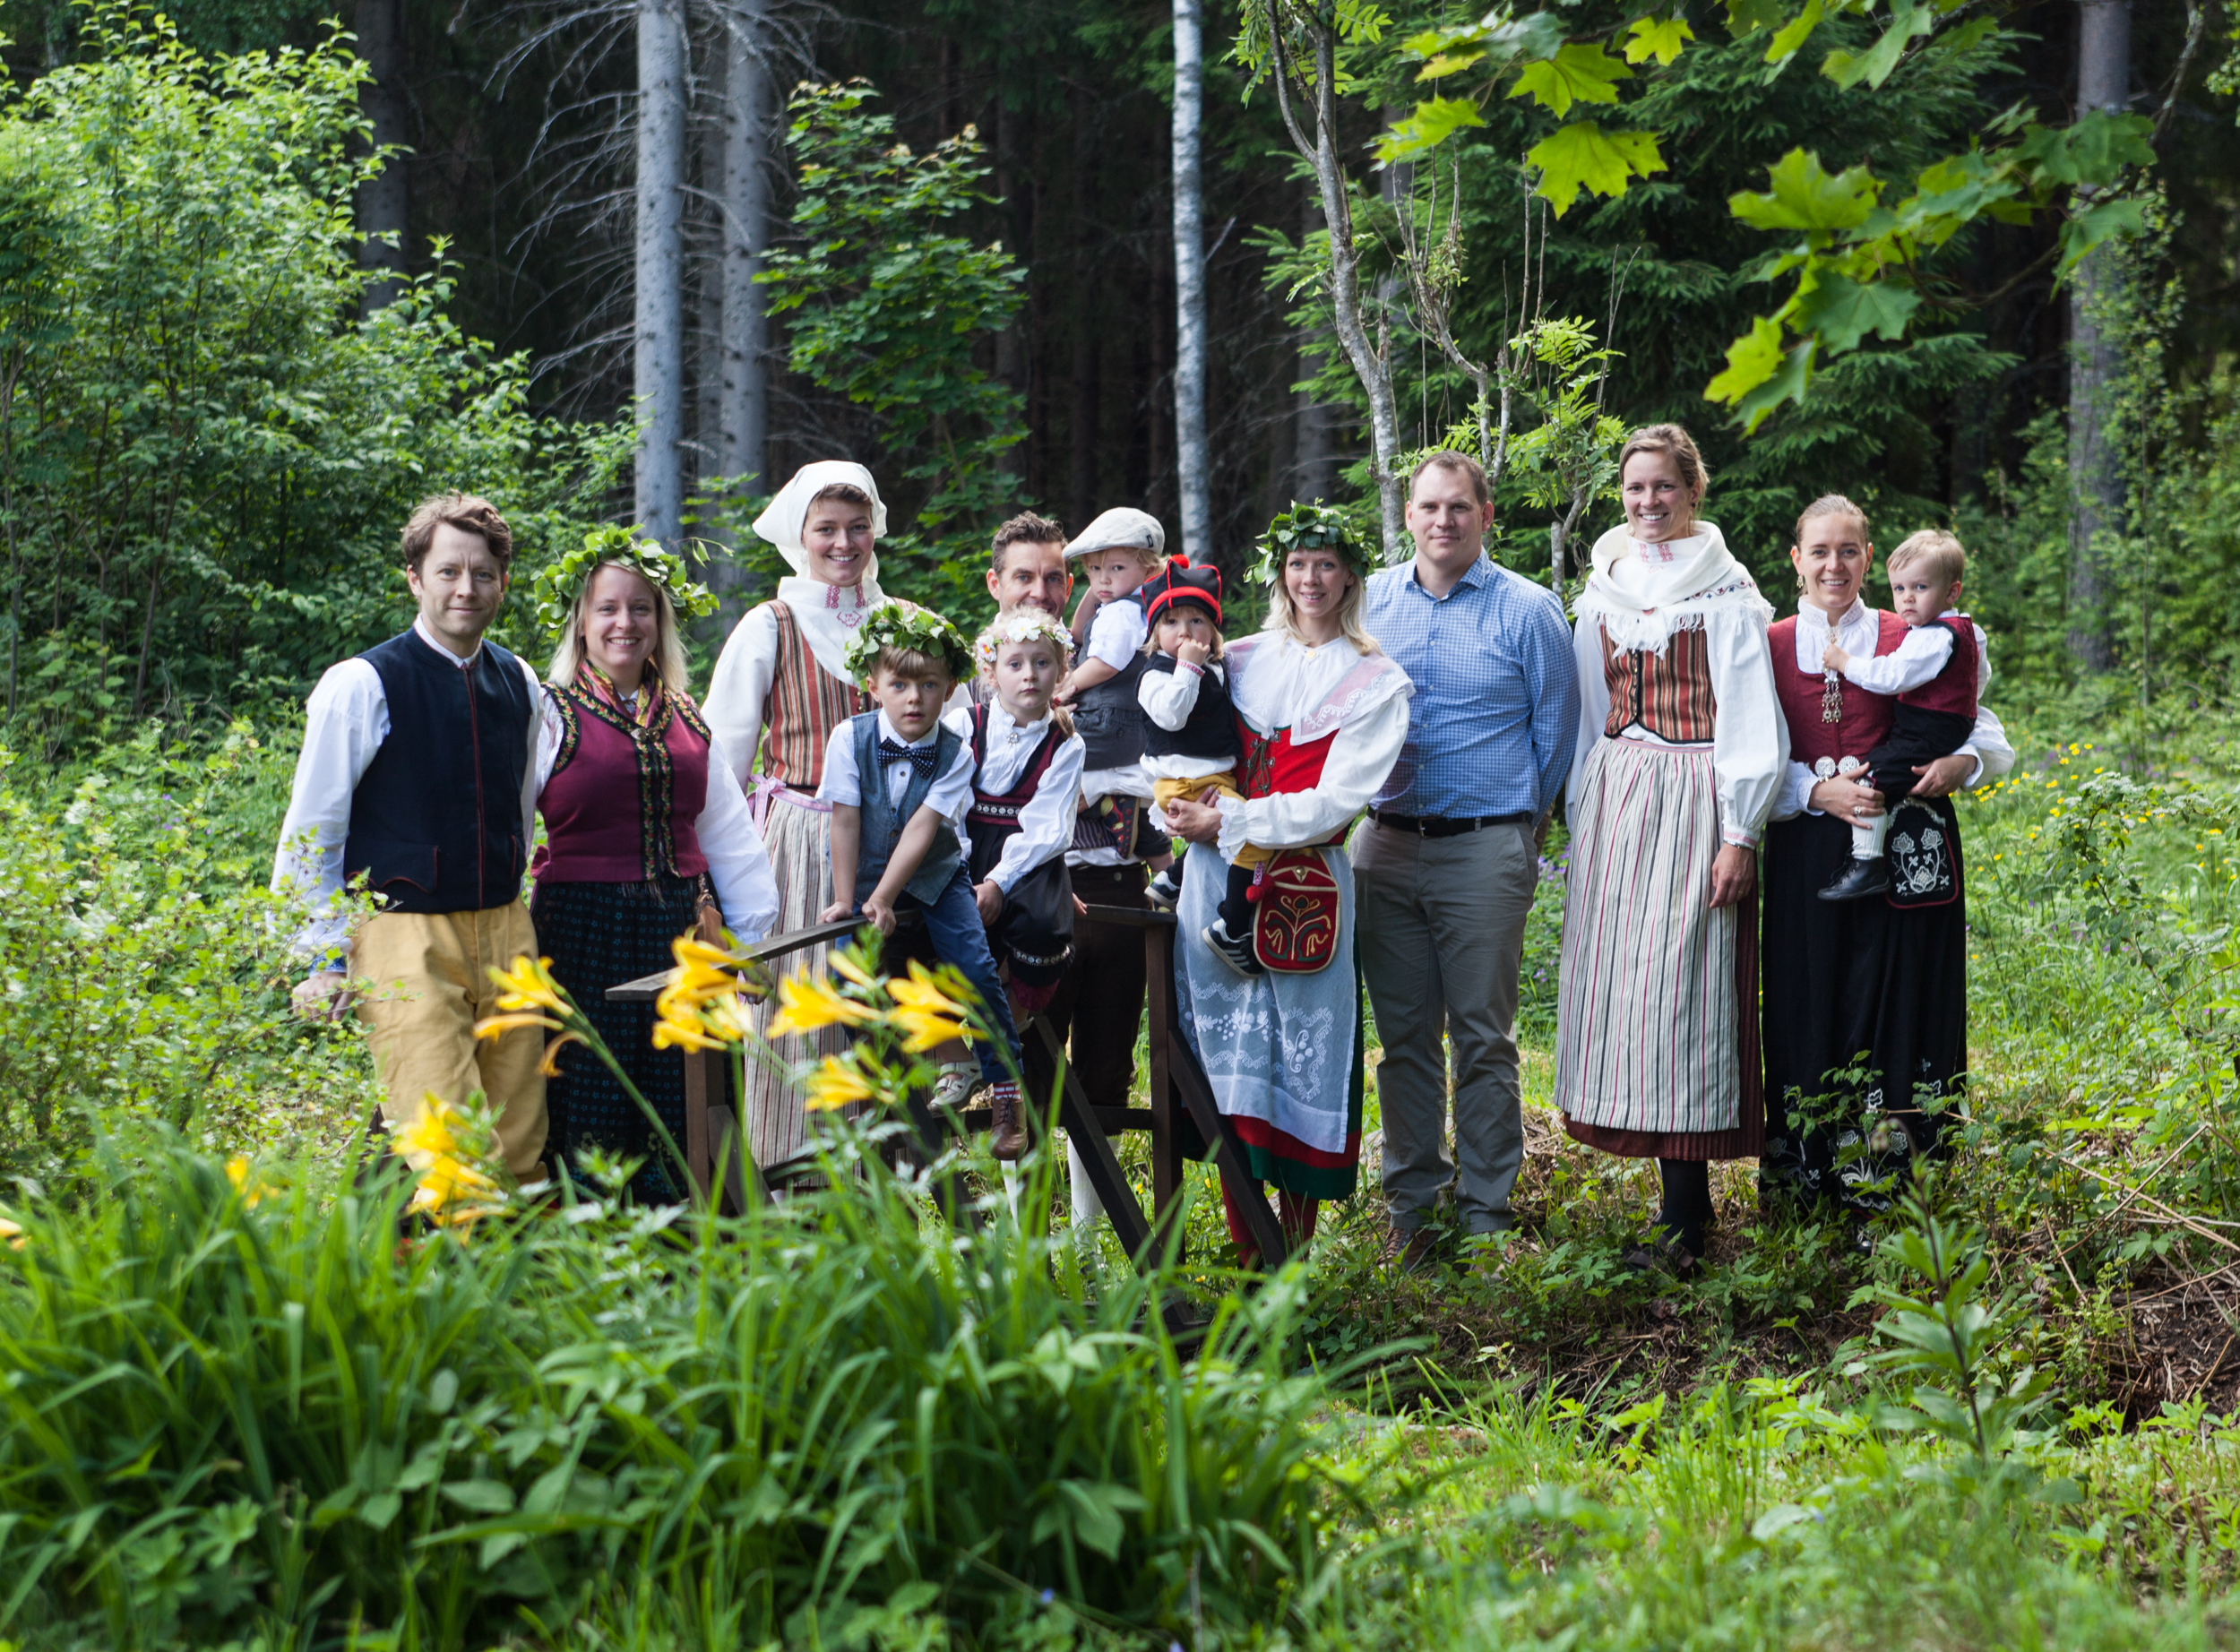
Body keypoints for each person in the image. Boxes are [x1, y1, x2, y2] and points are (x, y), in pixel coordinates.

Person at [1555, 425, 1787, 1277]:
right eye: (1635, 487)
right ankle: (1672, 1208)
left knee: (1683, 992)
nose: (1647, 501)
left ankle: (1688, 1217)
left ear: (1693, 491)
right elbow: (1589, 709)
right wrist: (1582, 804)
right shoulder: (1605, 586)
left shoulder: (1725, 591)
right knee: (1626, 994)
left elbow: (1752, 719)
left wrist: (1739, 833)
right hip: (1618, 796)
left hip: (1696, 796)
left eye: (1663, 486)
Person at [271, 494, 548, 1178]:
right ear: (415, 579)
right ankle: (450, 1244)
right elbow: (313, 830)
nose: (466, 588)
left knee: (519, 1131)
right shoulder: (362, 684)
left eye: (482, 574)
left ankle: (503, 1253)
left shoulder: (520, 681)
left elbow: (519, 810)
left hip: (506, 928)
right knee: (444, 1137)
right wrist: (319, 956)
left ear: (503, 584)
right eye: (448, 571)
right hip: (403, 934)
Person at [1164, 513, 1411, 1266]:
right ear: (1281, 573)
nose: (1311, 579)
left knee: (1301, 1061)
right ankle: (1248, 1252)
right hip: (1213, 874)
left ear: (1351, 577)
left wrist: (1231, 819)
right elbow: (1173, 736)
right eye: (1299, 563)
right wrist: (1172, 803)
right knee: (1227, 1063)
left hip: (1305, 884)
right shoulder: (1236, 658)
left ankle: (1292, 1257)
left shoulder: (1376, 681)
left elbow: (1338, 803)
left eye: (1326, 564)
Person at [1761, 498, 2012, 1225]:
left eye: (1848, 550)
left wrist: (1965, 762)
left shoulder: (1917, 631)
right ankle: (1811, 1185)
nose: (1833, 565)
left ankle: (1894, 1187)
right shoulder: (1769, 642)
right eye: (1819, 551)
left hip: (1905, 851)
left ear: (1868, 558)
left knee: (1901, 1005)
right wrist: (1816, 790)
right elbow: (1745, 750)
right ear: (1797, 559)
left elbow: (1979, 726)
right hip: (1810, 842)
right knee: (1813, 996)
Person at [1355, 469, 1578, 1269]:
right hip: (1384, 846)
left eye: (1459, 507)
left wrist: (1519, 830)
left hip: (1484, 848)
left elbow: (1557, 734)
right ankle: (1413, 1212)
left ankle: (1486, 1216)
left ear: (1485, 515)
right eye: (1429, 506)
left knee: (1483, 1037)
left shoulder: (1528, 609)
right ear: (1408, 515)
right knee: (1403, 1040)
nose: (1443, 520)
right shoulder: (1369, 601)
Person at [528, 531, 780, 1200]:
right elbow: (507, 822)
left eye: (641, 608)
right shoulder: (548, 714)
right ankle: (593, 1241)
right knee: (594, 1092)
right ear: (581, 622)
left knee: (692, 1092)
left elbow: (725, 830)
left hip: (682, 929)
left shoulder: (686, 716)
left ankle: (692, 1243)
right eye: (608, 608)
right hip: (581, 936)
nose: (625, 623)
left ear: (659, 622)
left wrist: (750, 940)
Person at [702, 461, 885, 1170]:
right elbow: (719, 763)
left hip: (893, 846)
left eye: (857, 527)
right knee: (797, 1020)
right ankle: (791, 1194)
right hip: (799, 842)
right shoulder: (769, 626)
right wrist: (715, 880)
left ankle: (880, 1199)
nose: (843, 543)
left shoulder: (900, 623)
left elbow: (956, 739)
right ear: (800, 536)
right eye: (826, 529)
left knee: (879, 1018)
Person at [817, 603, 1028, 1150]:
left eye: (929, 685)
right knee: (849, 978)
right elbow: (845, 818)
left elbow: (921, 828)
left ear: (950, 688)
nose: (915, 698)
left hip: (936, 872)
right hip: (865, 874)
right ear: (873, 686)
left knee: (975, 967)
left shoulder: (956, 753)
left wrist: (886, 898)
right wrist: (848, 898)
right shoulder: (848, 738)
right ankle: (885, 1096)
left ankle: (1006, 1091)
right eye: (900, 685)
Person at [1814, 529, 1982, 902]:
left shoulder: (1932, 637)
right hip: (1940, 722)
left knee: (1871, 780)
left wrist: (1845, 662)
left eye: (1920, 587)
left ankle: (1867, 865)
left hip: (1928, 728)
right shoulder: (1960, 630)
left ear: (1951, 592)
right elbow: (1977, 678)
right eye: (1899, 588)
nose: (1907, 598)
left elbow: (1891, 676)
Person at [943, 607, 1085, 1043]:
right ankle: (952, 1057)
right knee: (943, 923)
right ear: (991, 673)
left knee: (1040, 923)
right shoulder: (964, 724)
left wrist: (998, 882)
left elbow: (1048, 828)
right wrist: (963, 874)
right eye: (1015, 664)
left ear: (1061, 671)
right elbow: (947, 809)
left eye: (1042, 663)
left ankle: (1005, 1041)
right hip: (962, 846)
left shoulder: (1067, 743)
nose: (1029, 675)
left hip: (1027, 856)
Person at [1130, 558, 1266, 964]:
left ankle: (1173, 879)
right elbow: (1172, 715)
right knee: (1254, 836)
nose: (1185, 632)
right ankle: (1233, 928)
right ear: (1155, 633)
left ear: (1214, 630)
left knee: (1226, 831)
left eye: (1197, 621)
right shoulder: (1155, 675)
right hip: (1185, 782)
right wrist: (1187, 666)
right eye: (1171, 622)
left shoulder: (1217, 668)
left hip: (1212, 777)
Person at [1055, 507, 1167, 868]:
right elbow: (1078, 632)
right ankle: (1160, 861)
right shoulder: (1123, 604)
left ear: (1148, 570)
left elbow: (1107, 663)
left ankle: (1106, 800)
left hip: (1111, 722)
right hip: (1123, 724)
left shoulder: (1123, 614)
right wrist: (1098, 589)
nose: (1102, 579)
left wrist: (1068, 684)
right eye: (1093, 569)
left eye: (1116, 568)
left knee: (1051, 751)